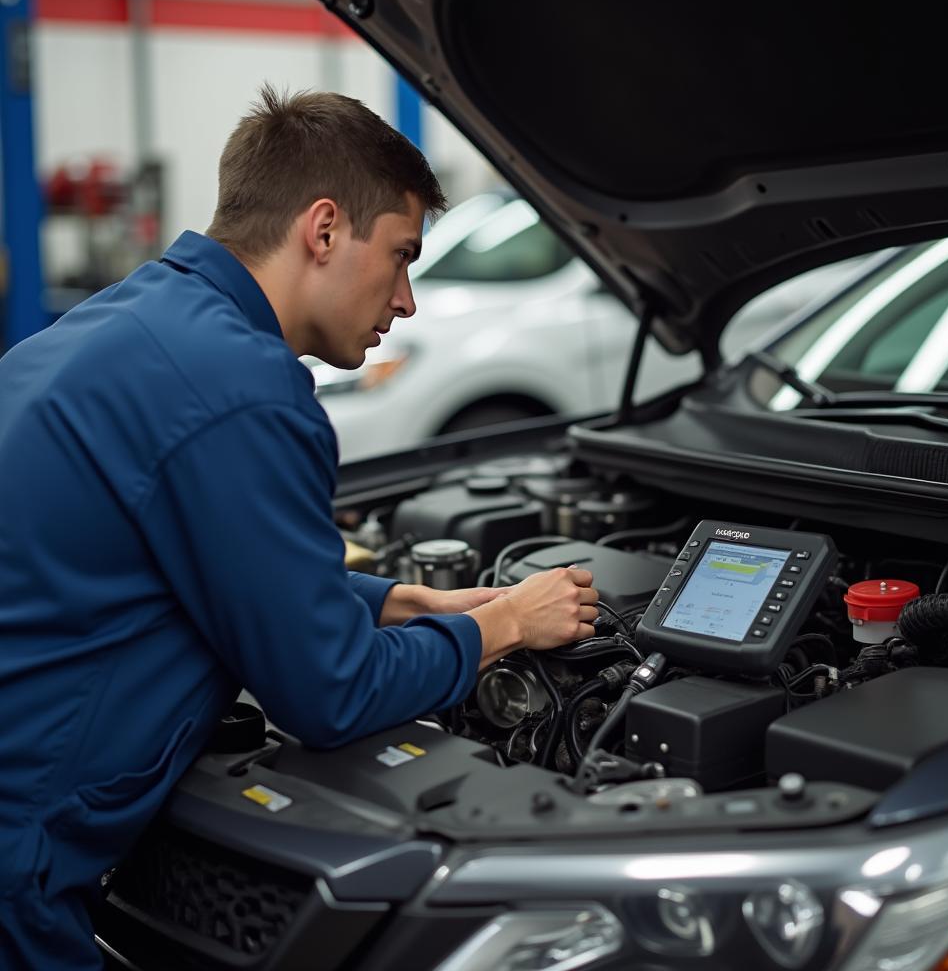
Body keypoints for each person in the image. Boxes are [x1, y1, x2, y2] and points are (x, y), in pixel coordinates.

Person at [0, 86, 599, 970]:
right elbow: (333, 697)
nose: (407, 299)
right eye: (399, 257)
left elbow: (175, 549)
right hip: (22, 855)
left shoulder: (122, 325)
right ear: (323, 230)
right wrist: (504, 623)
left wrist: (392, 598)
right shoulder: (243, 388)